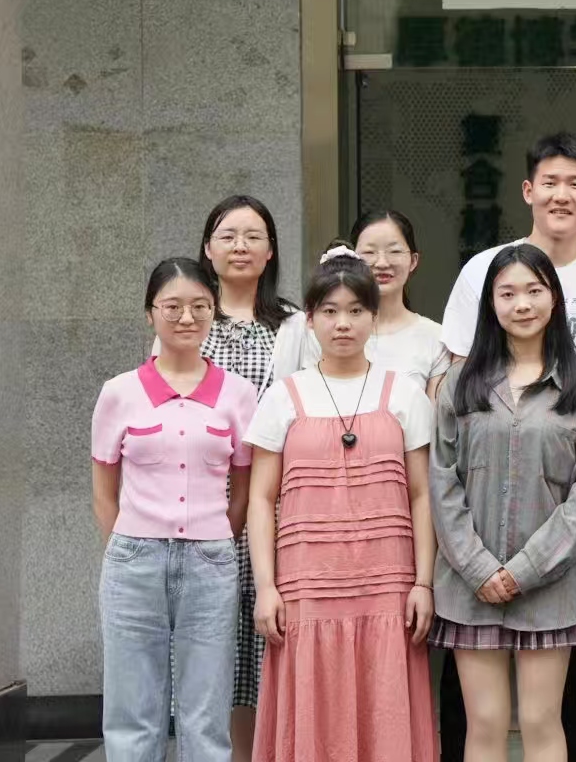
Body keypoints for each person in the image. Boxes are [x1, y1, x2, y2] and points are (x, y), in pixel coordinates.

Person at [438, 130, 576, 762]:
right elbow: (442, 481)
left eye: (535, 291)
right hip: (468, 579)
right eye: (507, 294)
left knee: (546, 722)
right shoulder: (462, 386)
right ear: (489, 304)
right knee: (485, 725)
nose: (522, 304)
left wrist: (522, 570)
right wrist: (478, 567)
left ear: (555, 298)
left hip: (553, 583)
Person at [244, 245, 437, 762]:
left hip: (387, 586)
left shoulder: (404, 395)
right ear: (309, 320)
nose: (343, 323)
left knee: (384, 711)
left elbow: (422, 495)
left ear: (374, 317)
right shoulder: (284, 396)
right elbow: (261, 499)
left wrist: (423, 583)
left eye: (355, 310)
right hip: (306, 587)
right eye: (329, 311)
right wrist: (266, 587)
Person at [91, 257, 259, 762]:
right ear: (150, 313)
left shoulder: (238, 394)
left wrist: (217, 539)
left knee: (205, 712)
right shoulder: (119, 392)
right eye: (173, 307)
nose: (187, 318)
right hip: (134, 561)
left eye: (200, 306)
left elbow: (243, 489)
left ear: (213, 312)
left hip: (211, 562)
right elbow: (104, 490)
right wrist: (127, 546)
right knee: (133, 712)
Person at [190, 194, 312, 760]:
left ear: (271, 252)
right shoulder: (189, 319)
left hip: (275, 506)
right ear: (208, 249)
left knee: (268, 644)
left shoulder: (295, 325)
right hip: (204, 507)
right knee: (217, 651)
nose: (240, 246)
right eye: (228, 236)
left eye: (253, 236)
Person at [304, 208, 450, 395]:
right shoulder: (324, 331)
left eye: (394, 251)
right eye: (369, 252)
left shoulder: (435, 338)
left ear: (413, 261)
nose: (382, 263)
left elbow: (431, 412)